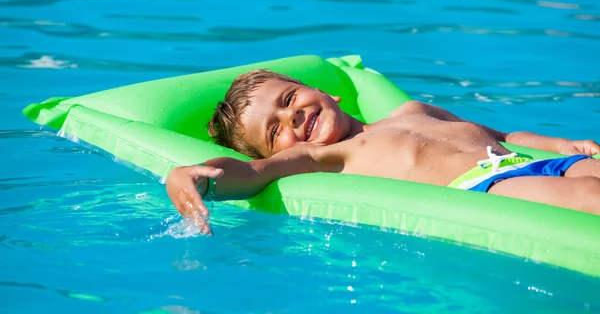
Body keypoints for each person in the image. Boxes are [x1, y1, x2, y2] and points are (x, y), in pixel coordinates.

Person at [166, 69, 600, 234]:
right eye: (276, 130)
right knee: (590, 202)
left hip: (538, 164)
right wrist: (197, 175)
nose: (293, 118)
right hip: (492, 186)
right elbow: (254, 171)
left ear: (324, 93)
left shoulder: (414, 109)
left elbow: (504, 133)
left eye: (289, 99)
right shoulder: (329, 157)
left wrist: (566, 146)